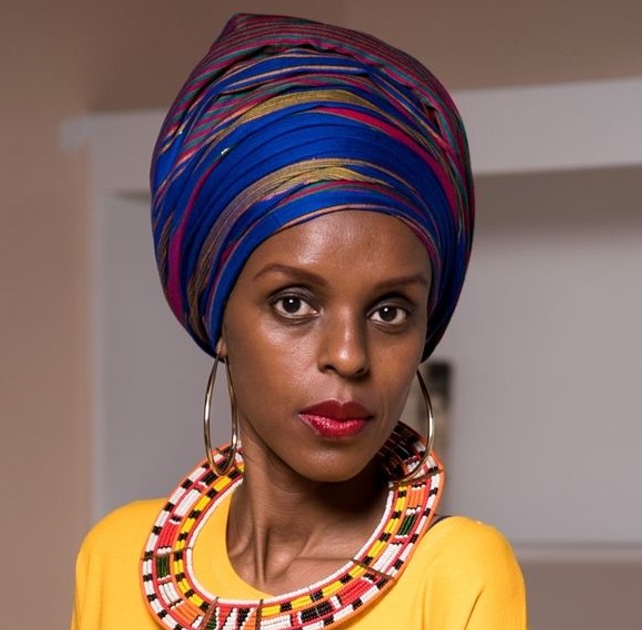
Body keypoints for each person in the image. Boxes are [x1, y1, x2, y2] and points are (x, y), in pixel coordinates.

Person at [72, 13, 525, 629]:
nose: (349, 355)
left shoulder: (457, 573)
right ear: (219, 319)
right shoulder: (116, 555)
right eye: (294, 303)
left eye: (389, 311)